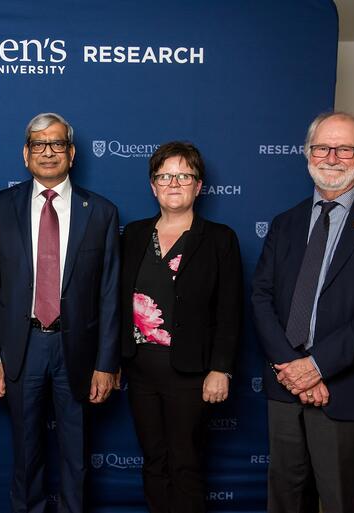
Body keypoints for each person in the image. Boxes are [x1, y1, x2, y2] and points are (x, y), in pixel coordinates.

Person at [251, 111, 354, 513]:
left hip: (348, 390)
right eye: (322, 147)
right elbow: (261, 297)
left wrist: (318, 366)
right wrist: (294, 369)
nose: (332, 157)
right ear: (308, 152)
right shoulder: (285, 223)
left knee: (341, 500)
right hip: (286, 386)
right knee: (285, 499)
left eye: (345, 148)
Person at [0, 112, 120, 513]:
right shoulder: (0, 206)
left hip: (77, 349)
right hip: (21, 349)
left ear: (71, 153)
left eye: (57, 143)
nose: (48, 152)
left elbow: (109, 295)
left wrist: (106, 363)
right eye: (38, 144)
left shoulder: (102, 212)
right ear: (26, 154)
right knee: (26, 453)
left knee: (76, 455)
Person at [119, 141, 242, 513]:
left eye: (184, 175)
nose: (174, 183)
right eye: (164, 176)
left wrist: (221, 369)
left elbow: (230, 311)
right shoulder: (134, 235)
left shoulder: (220, 238)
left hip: (191, 371)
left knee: (185, 463)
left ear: (198, 186)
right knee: (153, 460)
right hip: (140, 369)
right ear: (153, 186)